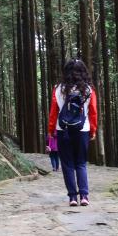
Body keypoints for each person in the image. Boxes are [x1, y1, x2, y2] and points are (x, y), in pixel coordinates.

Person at [47, 58, 98, 207]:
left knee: (67, 164)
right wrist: (93, 130)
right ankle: (84, 196)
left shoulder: (58, 89)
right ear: (83, 72)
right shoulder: (89, 90)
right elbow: (93, 112)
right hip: (83, 129)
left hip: (63, 130)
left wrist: (51, 130)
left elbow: (53, 112)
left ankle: (72, 198)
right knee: (81, 163)